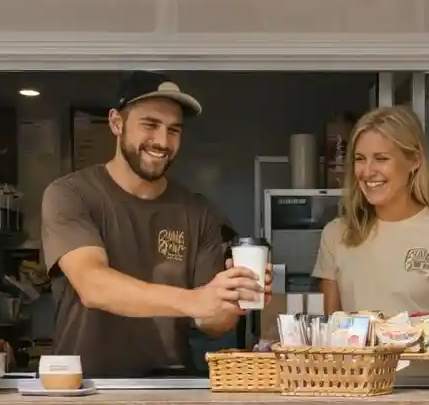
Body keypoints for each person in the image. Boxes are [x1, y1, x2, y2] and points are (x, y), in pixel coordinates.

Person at [41, 72, 269, 378]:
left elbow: (211, 324)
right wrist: (194, 300)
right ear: (116, 123)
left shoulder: (198, 211)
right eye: (150, 125)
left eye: (173, 130)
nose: (162, 141)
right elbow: (93, 285)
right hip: (85, 386)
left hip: (170, 385)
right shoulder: (71, 194)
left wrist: (234, 298)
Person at [313, 106, 429, 345]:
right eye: (360, 159)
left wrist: (401, 341)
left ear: (414, 160)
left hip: (428, 381)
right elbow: (331, 329)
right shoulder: (335, 234)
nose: (368, 171)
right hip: (359, 380)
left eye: (381, 159)